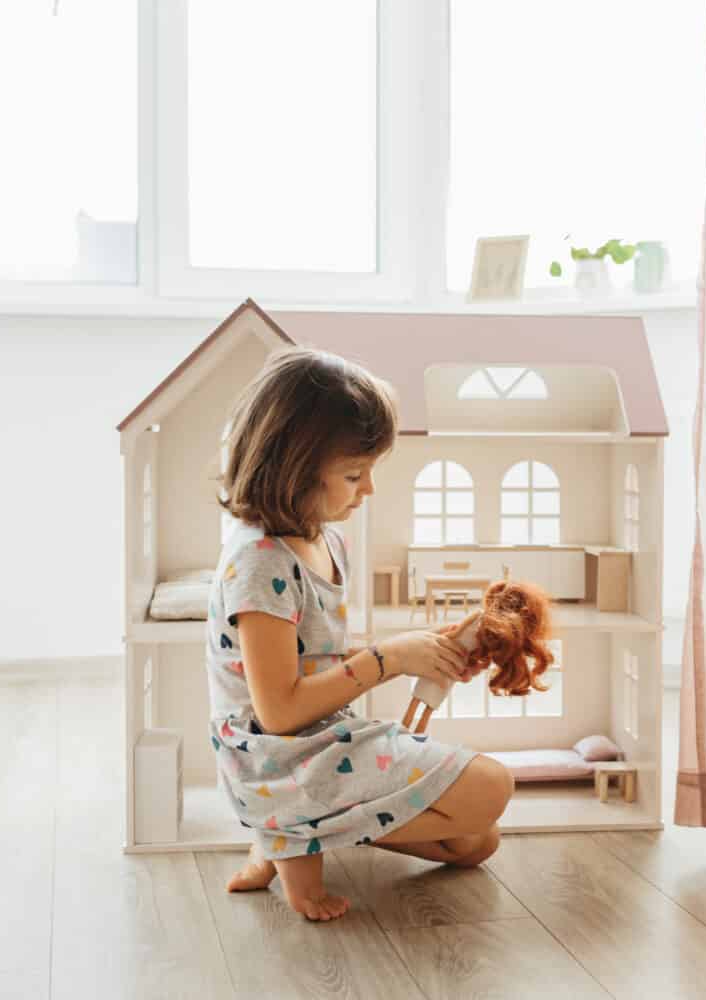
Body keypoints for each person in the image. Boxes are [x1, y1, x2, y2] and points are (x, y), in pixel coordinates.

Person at [208, 347, 514, 921]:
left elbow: (312, 661)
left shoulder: (327, 541)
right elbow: (277, 712)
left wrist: (426, 652)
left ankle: (292, 834)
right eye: (354, 474)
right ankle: (286, 834)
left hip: (322, 740)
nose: (368, 488)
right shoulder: (259, 562)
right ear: (293, 467)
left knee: (477, 842)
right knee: (491, 787)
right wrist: (390, 657)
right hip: (277, 760)